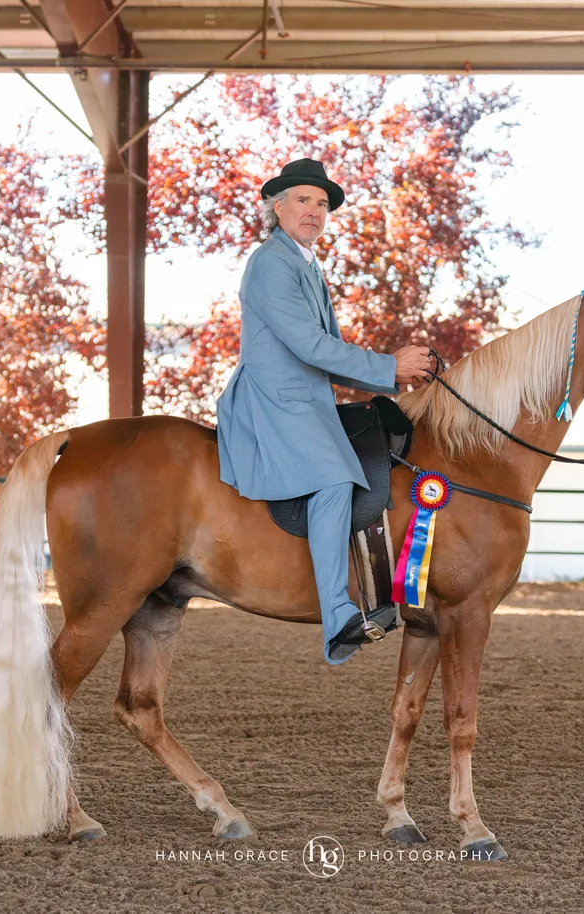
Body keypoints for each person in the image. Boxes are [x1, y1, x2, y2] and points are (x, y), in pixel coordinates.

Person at [215, 158, 434, 665]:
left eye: (321, 204)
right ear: (278, 206)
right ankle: (338, 614)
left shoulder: (307, 266)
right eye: (302, 200)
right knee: (335, 479)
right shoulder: (271, 262)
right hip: (275, 399)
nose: (313, 211)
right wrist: (386, 363)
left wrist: (397, 380)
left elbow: (328, 351)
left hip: (307, 397)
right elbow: (310, 345)